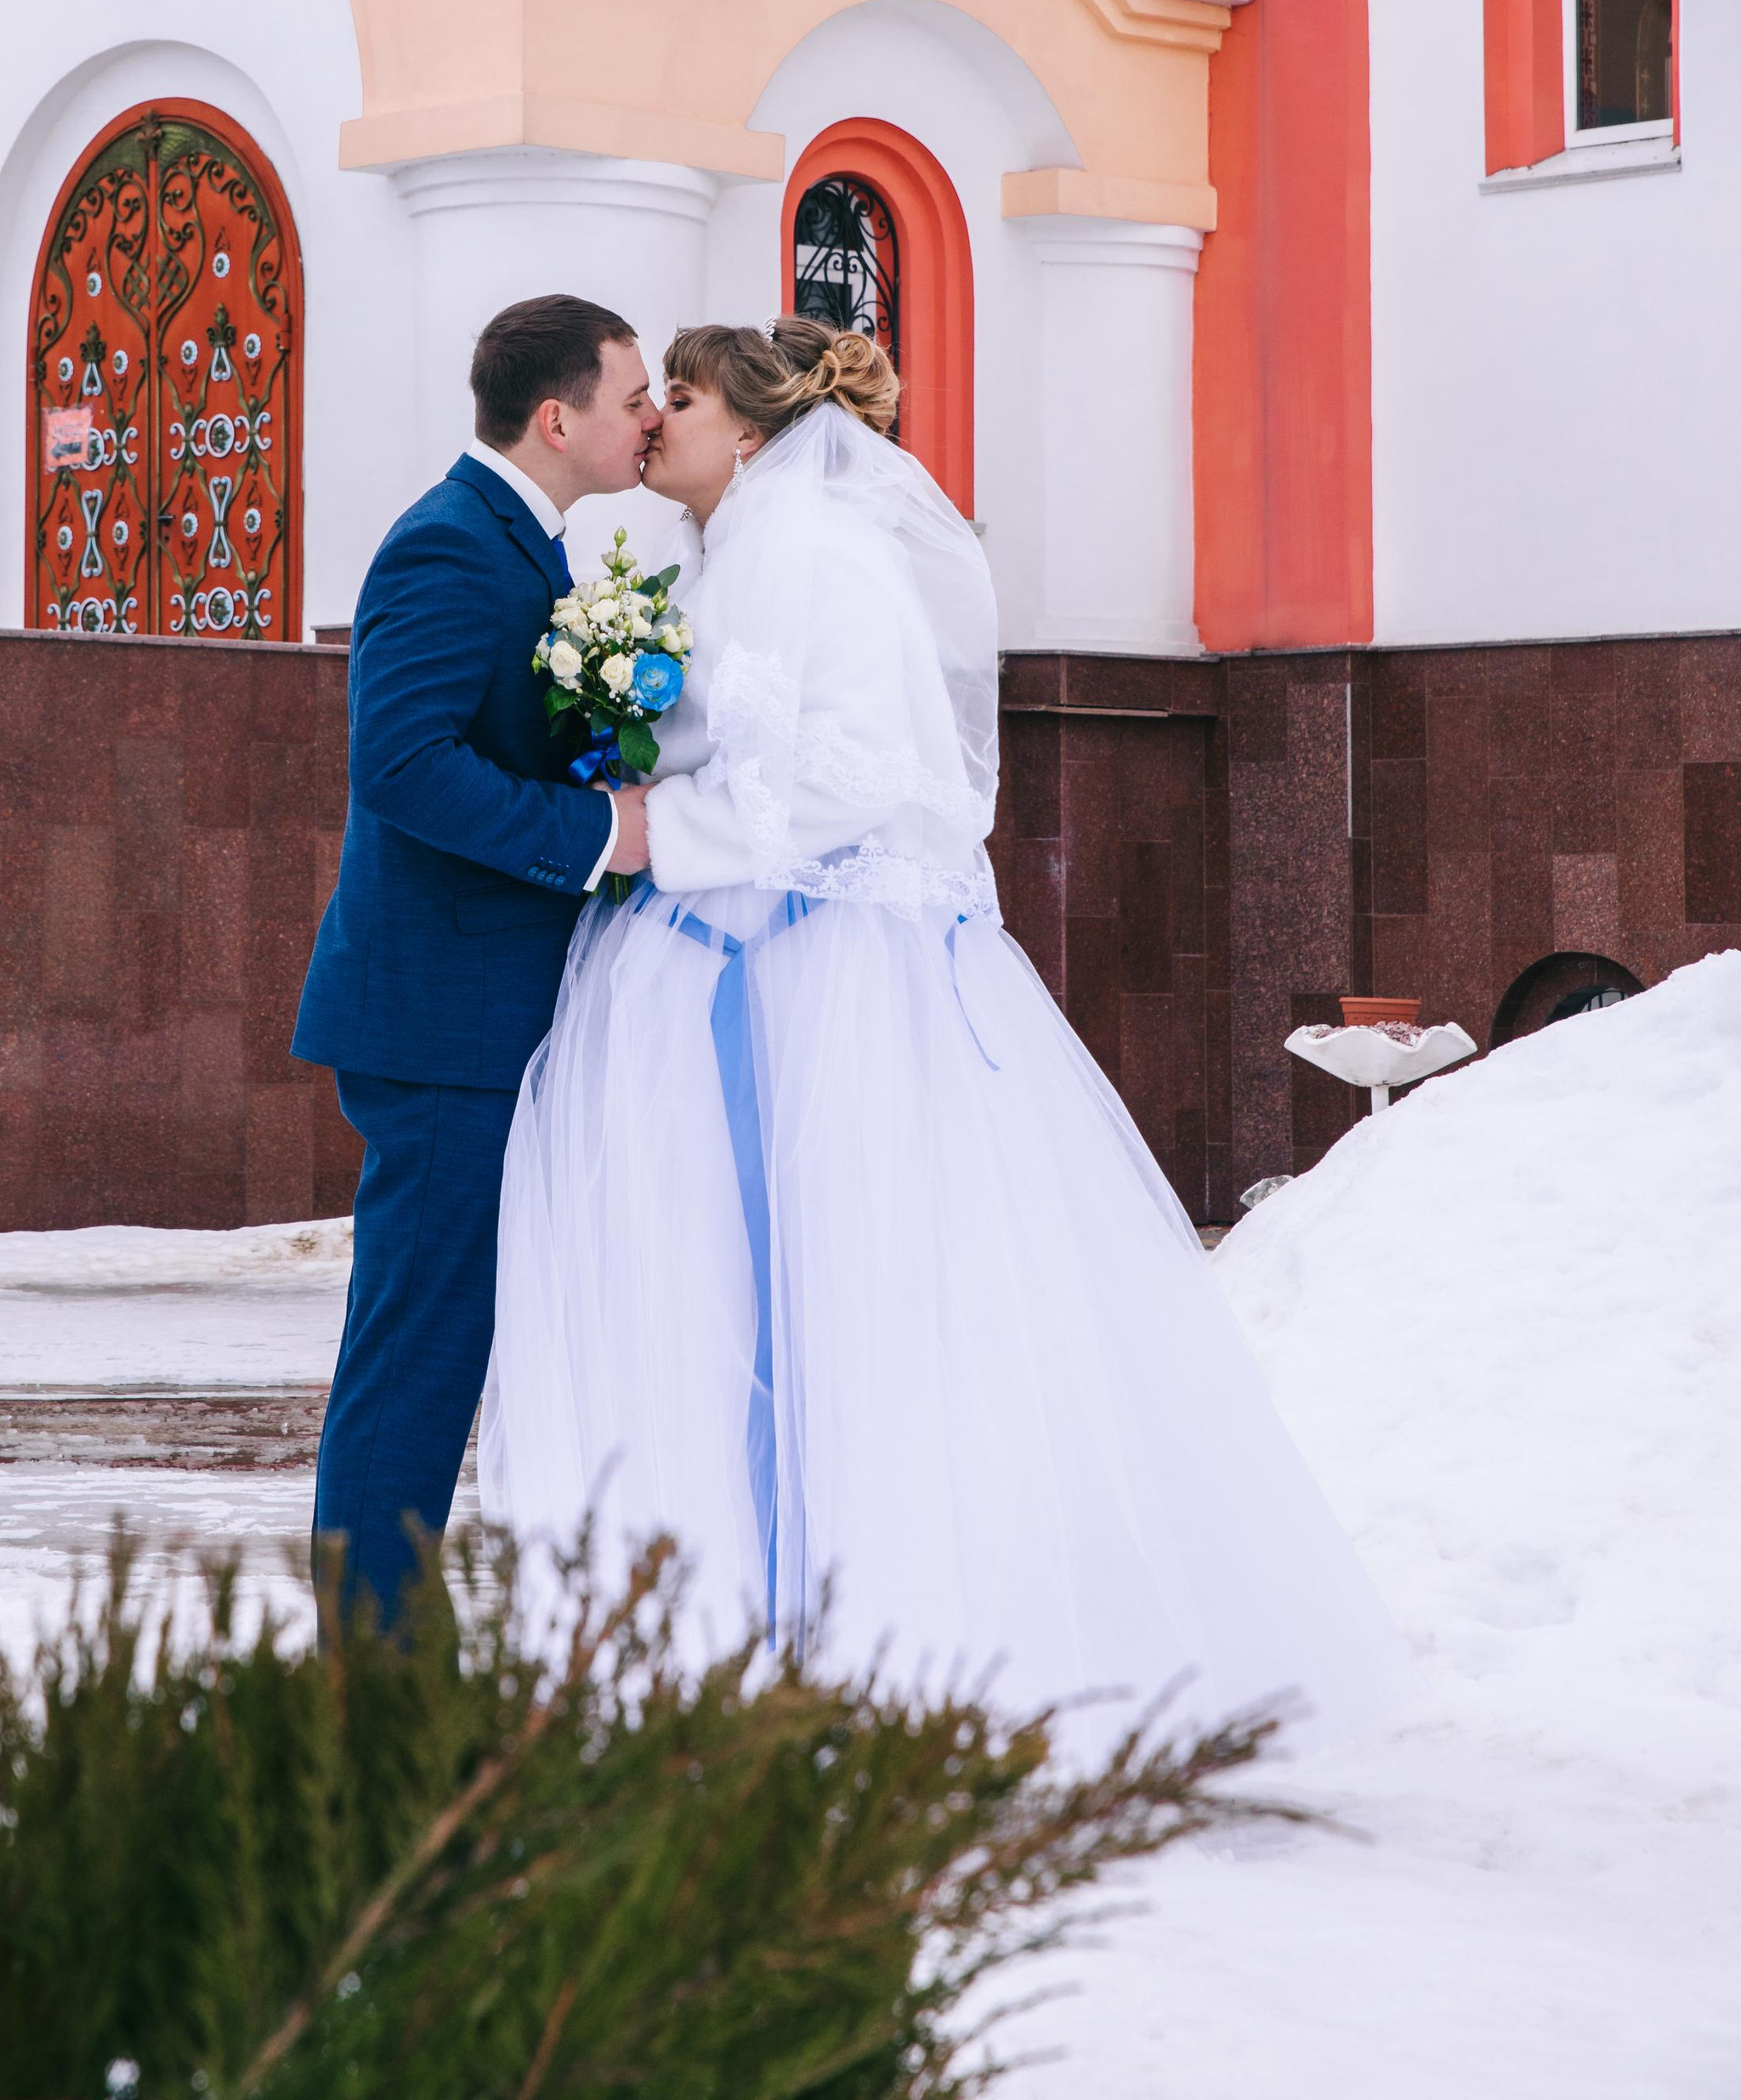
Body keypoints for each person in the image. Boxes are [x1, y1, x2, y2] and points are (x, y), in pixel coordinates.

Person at [481, 316, 1403, 1749]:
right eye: (649, 394)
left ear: (759, 430)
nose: (659, 419)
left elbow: (859, 776)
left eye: (686, 395)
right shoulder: (731, 550)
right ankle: (746, 1628)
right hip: (742, 961)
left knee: (834, 1301)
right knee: (741, 1295)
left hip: (806, 978)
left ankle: (845, 1647)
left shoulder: (809, 554)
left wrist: (667, 834)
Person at [298, 294, 658, 1622]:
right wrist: (597, 833)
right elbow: (400, 765)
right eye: (632, 397)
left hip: (477, 1015)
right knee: (418, 1357)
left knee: (440, 1346)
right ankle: (370, 1673)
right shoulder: (453, 546)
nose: (653, 417)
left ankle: (386, 1647)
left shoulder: (528, 543)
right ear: (557, 419)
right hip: (441, 1026)